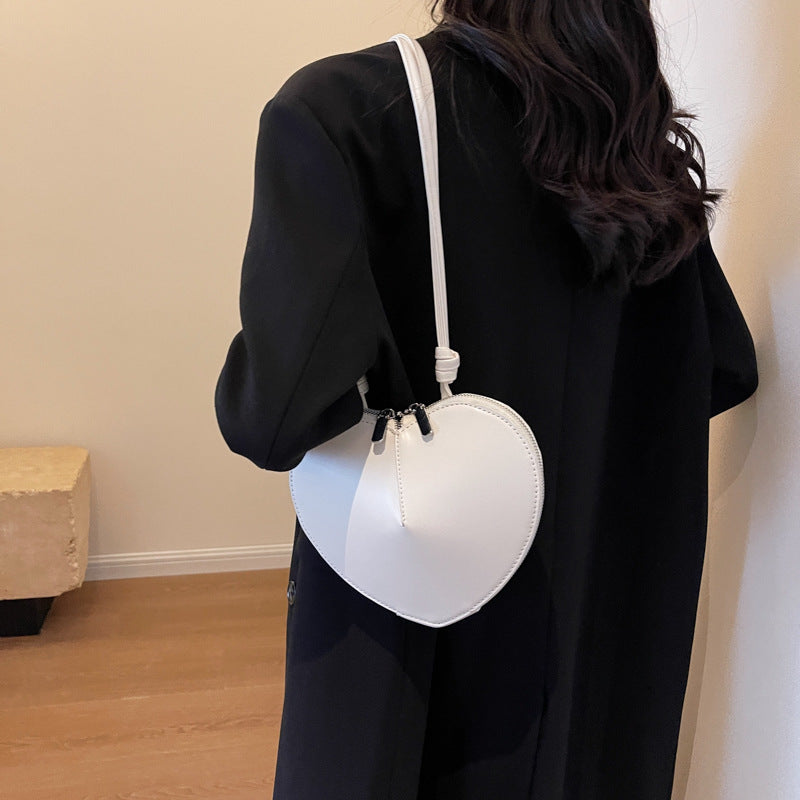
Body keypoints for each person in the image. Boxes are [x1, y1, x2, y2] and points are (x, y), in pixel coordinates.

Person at [214, 2, 759, 798]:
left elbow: (275, 416)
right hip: (599, 631)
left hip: (416, 636)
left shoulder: (345, 113)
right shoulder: (639, 156)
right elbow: (724, 368)